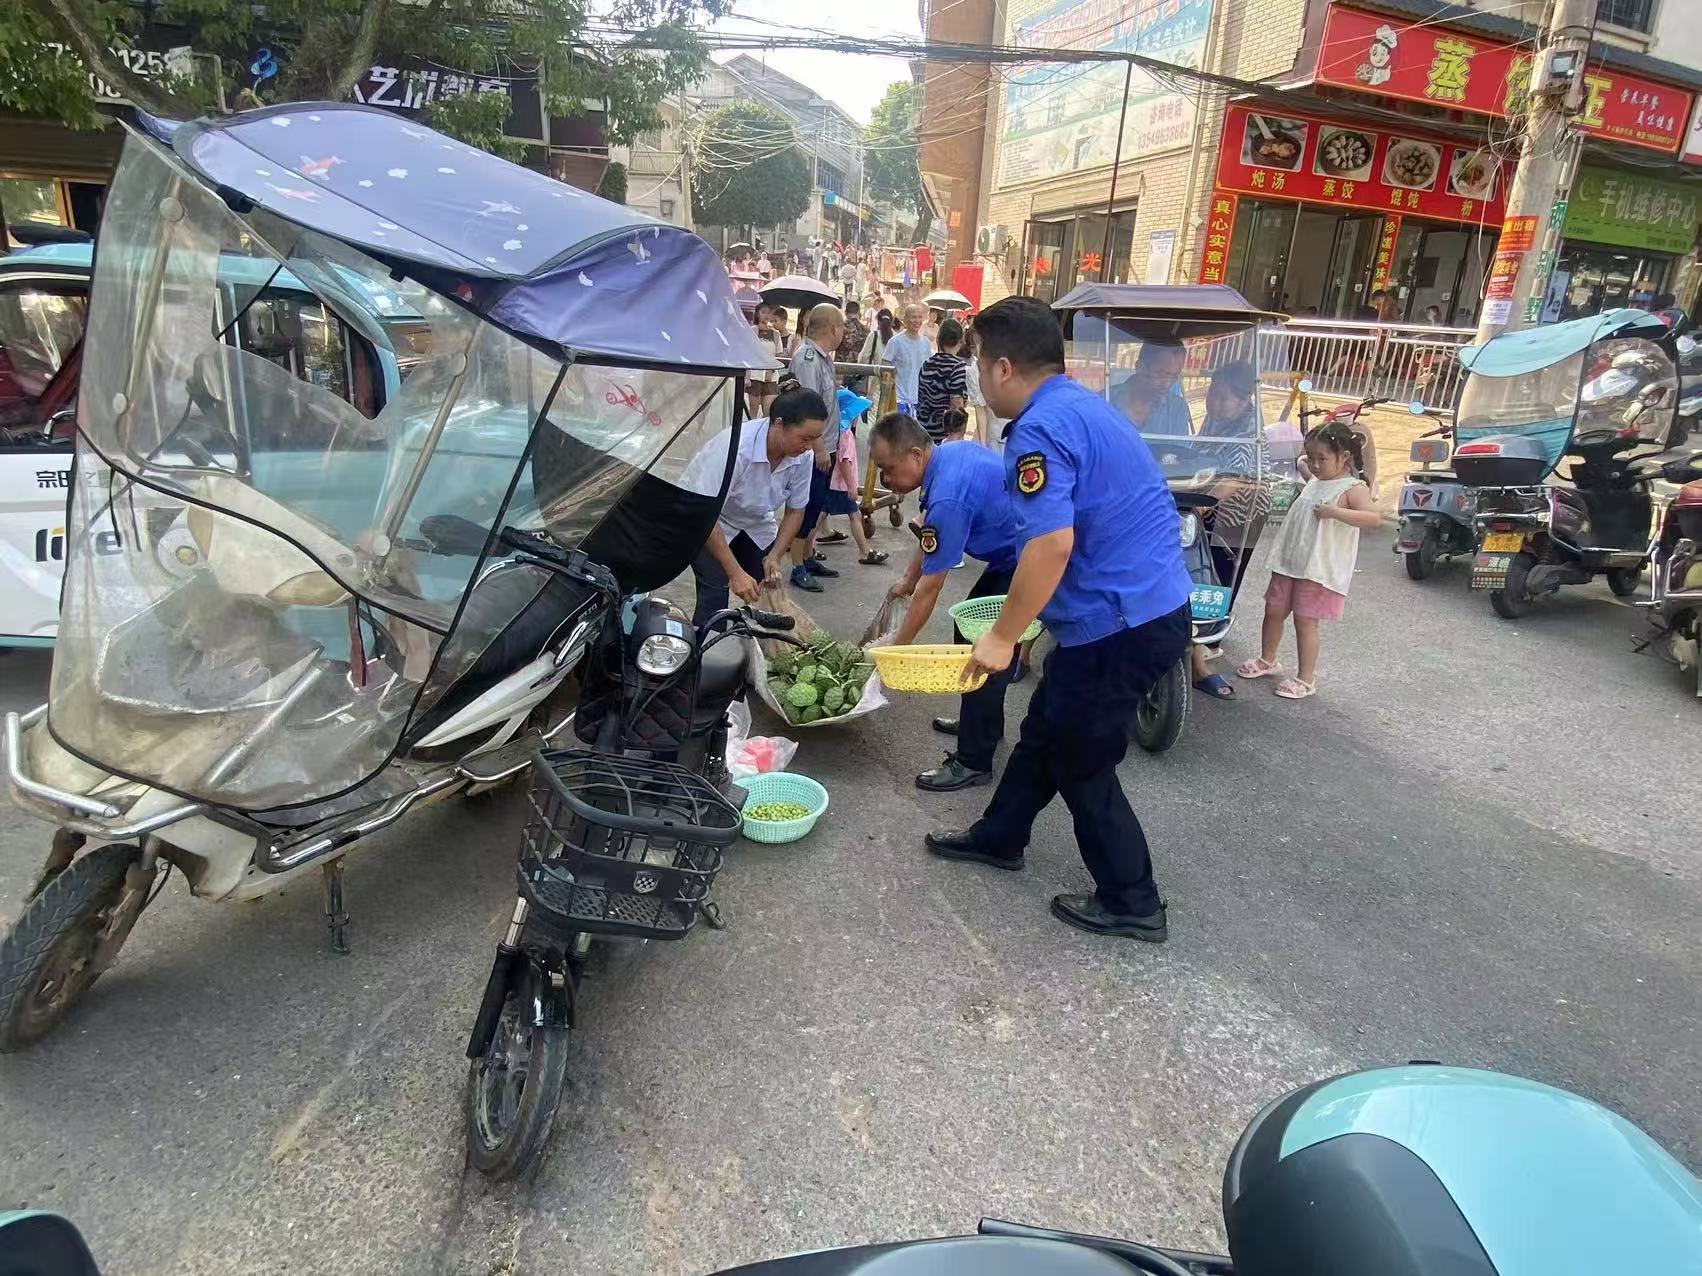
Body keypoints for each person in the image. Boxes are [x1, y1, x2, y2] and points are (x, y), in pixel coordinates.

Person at [928, 296, 1193, 943]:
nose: (979, 381)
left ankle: (1133, 899)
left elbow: (1051, 545)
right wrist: (1043, 623)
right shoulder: (1077, 405)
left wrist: (998, 637)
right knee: (1047, 726)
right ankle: (1000, 836)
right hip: (1131, 612)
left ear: (1004, 368)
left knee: (1081, 757)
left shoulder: (1040, 431)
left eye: (980, 366)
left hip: (1122, 625)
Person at [870, 413, 1021, 791]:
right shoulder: (947, 458)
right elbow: (930, 538)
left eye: (888, 469)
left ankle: (973, 760)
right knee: (971, 633)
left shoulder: (949, 495)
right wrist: (907, 579)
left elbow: (932, 588)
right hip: (1013, 553)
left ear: (916, 455)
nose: (885, 480)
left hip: (1024, 559)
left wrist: (897, 645)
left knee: (983, 647)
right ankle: (983, 724)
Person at [1236, 420, 1380, 700]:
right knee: (1274, 610)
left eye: (1322, 458)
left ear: (1345, 457)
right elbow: (1302, 461)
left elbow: (1373, 518)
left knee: (1305, 621)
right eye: (1312, 457)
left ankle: (1306, 678)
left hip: (1317, 568)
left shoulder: (1352, 488)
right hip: (1289, 561)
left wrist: (1335, 512)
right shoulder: (1314, 479)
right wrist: (1313, 449)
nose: (1314, 464)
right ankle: (1268, 659)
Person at [683, 387, 825, 627]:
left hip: (754, 520)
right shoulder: (737, 448)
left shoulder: (802, 456)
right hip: (706, 517)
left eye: (814, 439)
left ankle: (749, 645)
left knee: (765, 583)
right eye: (805, 438)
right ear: (778, 424)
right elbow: (706, 514)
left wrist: (776, 556)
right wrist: (735, 573)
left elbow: (796, 511)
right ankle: (705, 652)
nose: (809, 446)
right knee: (715, 592)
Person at [1188, 360, 1269, 701]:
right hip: (1204, 501)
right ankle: (1194, 635)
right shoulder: (1217, 418)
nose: (1214, 402)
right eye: (1212, 393)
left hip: (1237, 514)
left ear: (1244, 398)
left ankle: (1207, 640)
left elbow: (1236, 478)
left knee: (1220, 574)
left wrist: (1202, 502)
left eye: (1223, 396)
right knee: (1196, 568)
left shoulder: (1249, 427)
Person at [787, 303, 847, 594]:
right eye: (842, 327)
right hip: (812, 448)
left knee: (816, 503)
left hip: (827, 444)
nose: (844, 332)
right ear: (833, 329)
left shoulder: (822, 358)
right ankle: (797, 564)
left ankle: (808, 556)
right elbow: (809, 410)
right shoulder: (809, 359)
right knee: (805, 506)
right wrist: (820, 448)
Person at [829, 390, 887, 566]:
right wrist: (852, 486)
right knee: (854, 515)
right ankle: (865, 551)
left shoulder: (839, 432)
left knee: (820, 513)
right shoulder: (845, 435)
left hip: (836, 483)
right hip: (841, 484)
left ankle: (803, 543)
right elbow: (845, 461)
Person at [1112, 337, 1193, 435]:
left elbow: (1178, 449)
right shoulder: (1105, 400)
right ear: (1140, 367)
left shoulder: (1177, 408)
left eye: (1175, 376)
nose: (1167, 384)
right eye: (1160, 375)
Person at [915, 317, 969, 442]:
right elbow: (956, 405)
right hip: (945, 433)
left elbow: (921, 398)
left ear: (939, 339)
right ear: (960, 341)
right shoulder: (957, 366)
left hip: (923, 429)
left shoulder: (927, 364)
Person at [884, 303, 933, 413]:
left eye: (920, 317)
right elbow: (885, 369)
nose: (917, 321)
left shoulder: (926, 343)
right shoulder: (895, 342)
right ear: (905, 319)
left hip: (920, 400)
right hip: (900, 399)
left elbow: (929, 370)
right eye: (913, 317)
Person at [750, 305, 782, 418]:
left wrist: (772, 369)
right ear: (758, 314)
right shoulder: (752, 331)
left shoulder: (776, 334)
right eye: (763, 312)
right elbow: (748, 352)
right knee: (753, 410)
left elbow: (778, 355)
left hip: (771, 376)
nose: (766, 315)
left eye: (769, 312)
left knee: (768, 410)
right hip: (754, 374)